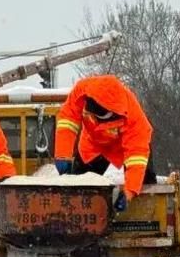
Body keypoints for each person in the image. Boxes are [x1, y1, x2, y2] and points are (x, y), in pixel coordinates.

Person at [53, 74, 156, 211]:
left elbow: (136, 158)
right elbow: (67, 121)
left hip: (123, 148)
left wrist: (129, 193)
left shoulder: (136, 122)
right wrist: (62, 154)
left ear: (111, 114)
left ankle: (144, 213)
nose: (92, 118)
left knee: (145, 185)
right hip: (92, 146)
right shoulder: (82, 91)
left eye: (96, 117)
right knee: (77, 188)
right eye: (90, 115)